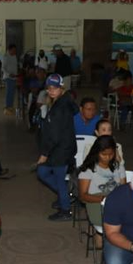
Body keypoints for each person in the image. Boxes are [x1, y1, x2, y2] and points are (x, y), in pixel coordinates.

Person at [37, 74, 77, 221]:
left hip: (60, 150)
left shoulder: (60, 106)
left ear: (62, 88)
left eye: (55, 88)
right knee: (43, 172)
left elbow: (54, 135)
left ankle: (65, 210)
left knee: (52, 176)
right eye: (49, 88)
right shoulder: (60, 102)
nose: (51, 91)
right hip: (60, 148)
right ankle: (64, 195)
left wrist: (44, 154)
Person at [77, 135, 126, 232]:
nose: (107, 157)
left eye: (111, 154)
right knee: (111, 223)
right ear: (96, 153)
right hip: (96, 203)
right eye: (104, 154)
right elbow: (83, 196)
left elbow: (124, 189)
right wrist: (103, 199)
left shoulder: (118, 167)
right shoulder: (88, 170)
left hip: (115, 202)